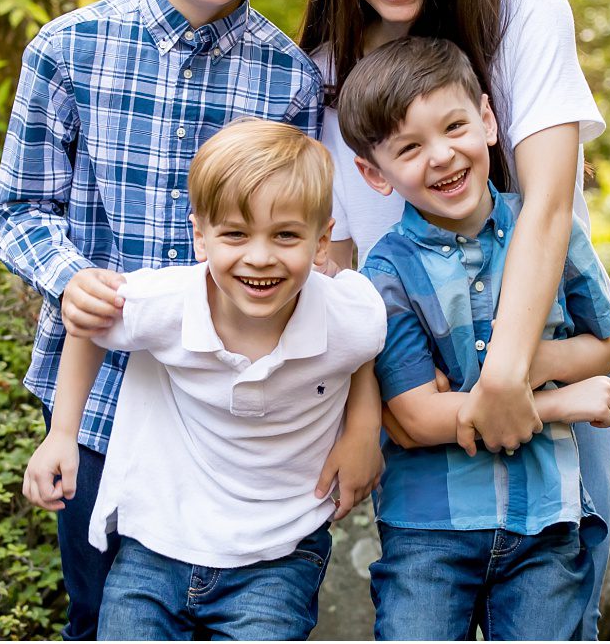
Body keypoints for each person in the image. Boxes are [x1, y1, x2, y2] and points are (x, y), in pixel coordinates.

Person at [0, 0, 382, 641]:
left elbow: (329, 263)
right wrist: (71, 278)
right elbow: (19, 209)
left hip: (238, 420)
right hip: (98, 401)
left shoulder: (290, 78)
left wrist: (356, 423)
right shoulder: (68, 50)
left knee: (246, 604)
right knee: (102, 614)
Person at [299, 0, 610, 635]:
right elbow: (342, 275)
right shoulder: (328, 76)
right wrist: (374, 422)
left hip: (540, 397)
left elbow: (548, 204)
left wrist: (513, 376)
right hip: (422, 430)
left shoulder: (524, 13)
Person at [22, 120, 386, 641]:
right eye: (235, 234)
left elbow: (369, 348)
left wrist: (362, 430)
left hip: (278, 556)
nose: (259, 257)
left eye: (286, 235)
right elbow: (89, 323)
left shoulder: (350, 314)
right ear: (200, 235)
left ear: (322, 240)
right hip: (156, 544)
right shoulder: (167, 302)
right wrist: (61, 435)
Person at [336, 37, 610, 640]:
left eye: (454, 127)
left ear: (489, 120)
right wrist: (555, 400)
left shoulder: (549, 233)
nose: (440, 156)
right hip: (429, 531)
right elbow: (414, 418)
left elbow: (605, 347)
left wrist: (530, 361)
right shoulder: (386, 275)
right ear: (373, 173)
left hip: (545, 522)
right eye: (409, 148)